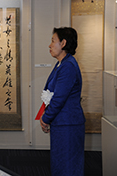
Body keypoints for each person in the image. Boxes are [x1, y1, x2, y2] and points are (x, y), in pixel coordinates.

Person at [40, 27, 86, 176]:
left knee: (68, 166)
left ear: (63, 43)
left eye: (53, 41)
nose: (50, 45)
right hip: (62, 123)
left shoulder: (68, 67)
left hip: (68, 125)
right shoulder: (62, 63)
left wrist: (45, 118)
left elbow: (59, 99)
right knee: (61, 164)